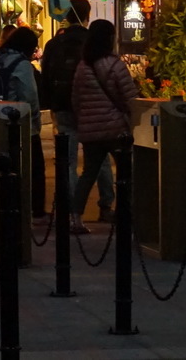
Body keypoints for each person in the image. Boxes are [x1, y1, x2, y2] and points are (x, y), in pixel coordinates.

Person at [40, 0, 116, 223]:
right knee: (99, 158)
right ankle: (105, 205)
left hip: (62, 106)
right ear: (87, 15)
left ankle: (71, 209)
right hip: (91, 108)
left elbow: (45, 76)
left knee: (69, 160)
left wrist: (51, 104)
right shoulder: (91, 43)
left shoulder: (54, 43)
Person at [71, 20, 139, 234]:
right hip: (115, 129)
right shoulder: (114, 64)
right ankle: (124, 213)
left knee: (88, 173)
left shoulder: (83, 65)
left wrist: (85, 119)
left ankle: (76, 217)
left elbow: (76, 99)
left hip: (91, 130)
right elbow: (130, 97)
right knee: (126, 172)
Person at [0, 26, 45, 219]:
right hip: (20, 123)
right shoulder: (23, 65)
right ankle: (34, 208)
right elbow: (29, 96)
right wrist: (35, 121)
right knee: (33, 168)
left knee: (2, 166)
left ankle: (2, 203)